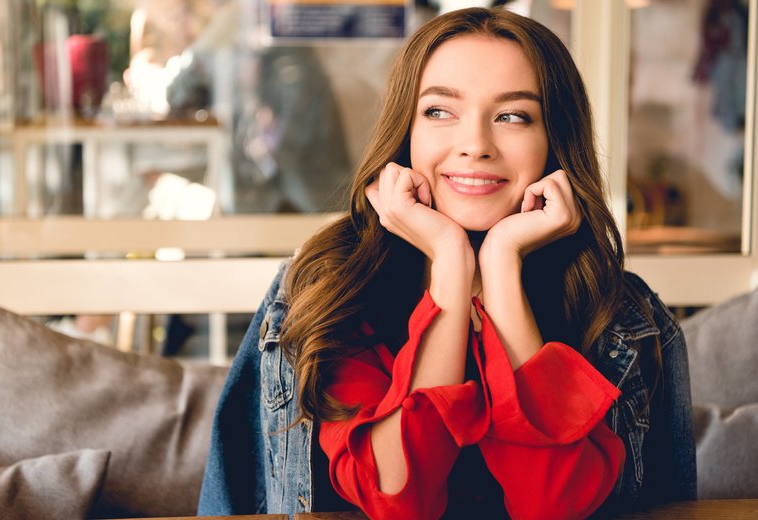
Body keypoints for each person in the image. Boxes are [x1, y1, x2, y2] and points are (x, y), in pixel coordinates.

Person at [198, 6, 697, 519]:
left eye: (512, 116)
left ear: (554, 141)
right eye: (440, 111)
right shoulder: (328, 291)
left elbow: (557, 505)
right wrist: (451, 266)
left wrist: (501, 268)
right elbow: (399, 498)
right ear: (406, 131)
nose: (476, 145)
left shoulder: (626, 316)